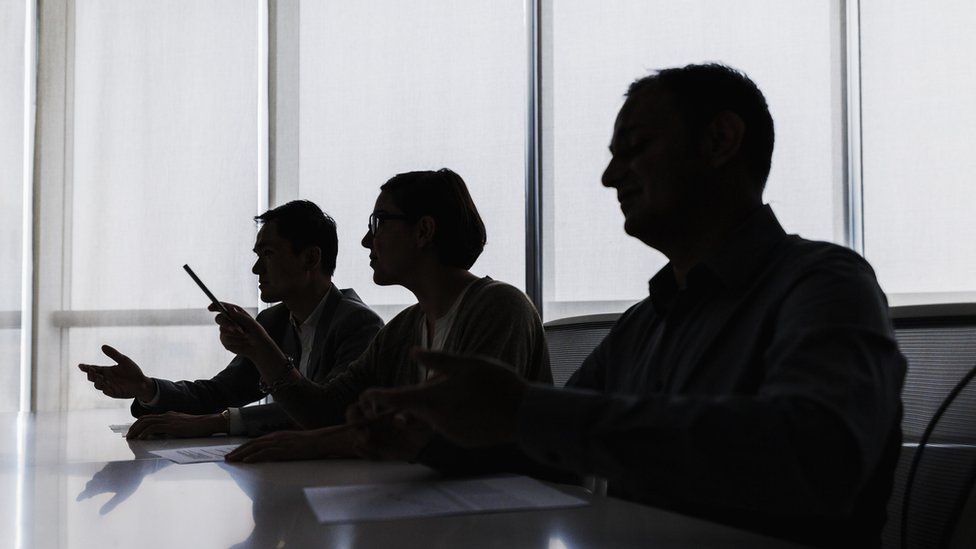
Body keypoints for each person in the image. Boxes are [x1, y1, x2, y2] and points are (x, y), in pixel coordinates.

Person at [355, 64, 906, 548]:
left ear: (719, 139)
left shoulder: (825, 283)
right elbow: (547, 446)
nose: (609, 176)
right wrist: (431, 440)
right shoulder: (648, 320)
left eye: (634, 147)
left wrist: (525, 412)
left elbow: (818, 456)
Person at [209, 169, 552, 462]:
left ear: (423, 231)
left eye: (379, 222)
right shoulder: (403, 328)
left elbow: (465, 431)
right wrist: (259, 349)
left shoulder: (501, 307)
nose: (364, 240)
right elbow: (325, 411)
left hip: (509, 512)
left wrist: (320, 443)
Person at [78, 200, 383, 438]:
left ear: (310, 258)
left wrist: (218, 422)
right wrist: (146, 387)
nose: (255, 269)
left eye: (267, 254)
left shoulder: (358, 325)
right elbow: (220, 392)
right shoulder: (274, 321)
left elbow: (326, 413)